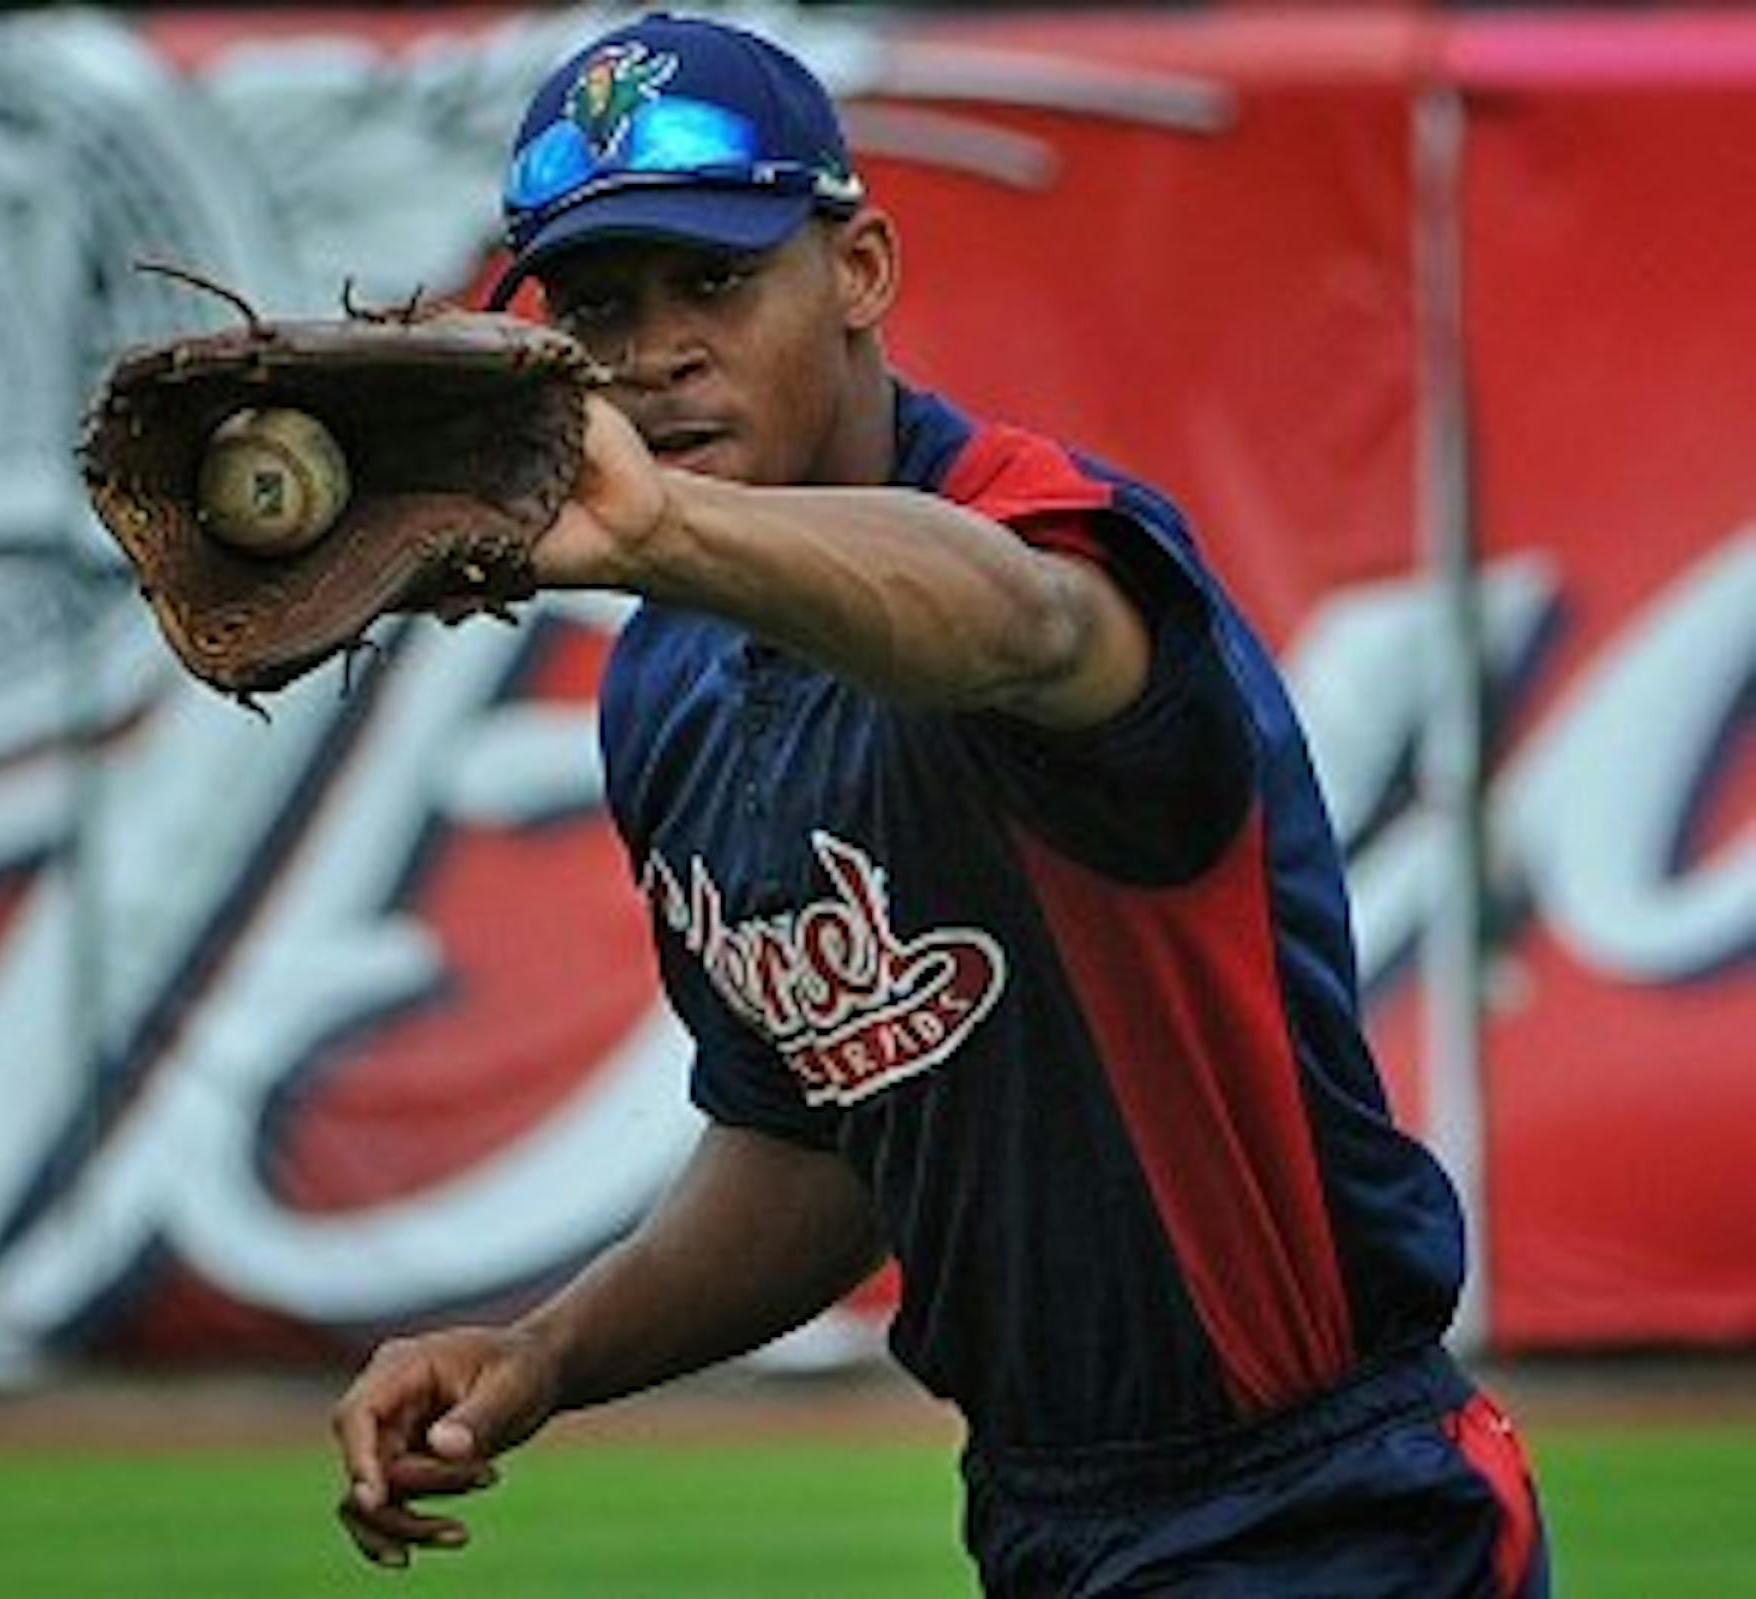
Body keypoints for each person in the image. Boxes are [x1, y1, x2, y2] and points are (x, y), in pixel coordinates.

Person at [329, 13, 1551, 1594]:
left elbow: (1016, 624)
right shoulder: (667, 688)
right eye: (599, 304)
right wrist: (547, 1353)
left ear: (860, 269)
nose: (655, 351)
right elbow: (824, 1147)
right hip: (1045, 1523)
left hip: (1324, 1515)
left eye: (715, 279)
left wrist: (664, 527)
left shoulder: (1047, 538)